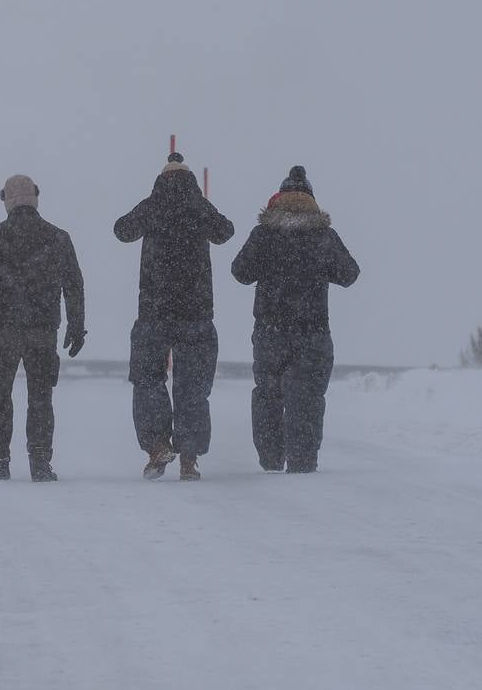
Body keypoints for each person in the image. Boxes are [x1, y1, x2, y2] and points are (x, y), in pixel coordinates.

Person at [230, 166, 359, 473]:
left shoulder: (264, 234)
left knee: (268, 393)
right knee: (308, 397)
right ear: (312, 202)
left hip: (269, 331)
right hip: (312, 331)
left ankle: (271, 458)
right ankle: (302, 460)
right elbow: (350, 274)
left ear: (278, 199)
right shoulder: (324, 236)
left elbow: (240, 272)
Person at [114, 152, 234, 480]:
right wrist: (199, 208)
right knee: (193, 385)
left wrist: (154, 209)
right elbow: (225, 231)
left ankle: (157, 445)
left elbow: (122, 230)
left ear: (160, 179)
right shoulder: (198, 205)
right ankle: (189, 458)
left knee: (148, 378)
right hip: (196, 312)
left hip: (153, 310)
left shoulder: (152, 205)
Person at [0, 174, 86, 482]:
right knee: (41, 396)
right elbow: (74, 285)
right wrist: (77, 325)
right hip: (43, 330)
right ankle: (40, 463)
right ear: (36, 197)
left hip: (5, 329)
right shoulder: (58, 237)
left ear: (5, 199)